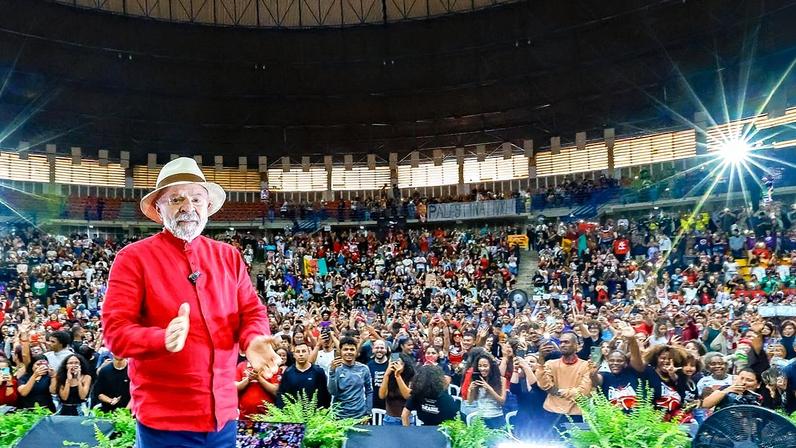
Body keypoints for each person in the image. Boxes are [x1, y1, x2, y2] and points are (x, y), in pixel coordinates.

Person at [102, 157, 280, 448]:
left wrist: (254, 338)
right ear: (158, 209)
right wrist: (161, 338)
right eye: (176, 199)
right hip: (164, 423)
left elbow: (251, 310)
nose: (188, 206)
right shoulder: (132, 259)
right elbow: (116, 333)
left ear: (208, 208)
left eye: (197, 198)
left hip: (223, 419)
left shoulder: (228, 256)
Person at [535, 332, 592, 429]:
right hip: (551, 412)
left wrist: (558, 392)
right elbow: (544, 385)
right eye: (561, 342)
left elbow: (583, 392)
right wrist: (541, 361)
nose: (562, 345)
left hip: (576, 414)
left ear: (576, 345)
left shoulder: (586, 366)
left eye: (566, 342)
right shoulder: (550, 364)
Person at [328, 336, 373, 420]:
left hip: (360, 415)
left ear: (356, 352)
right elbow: (333, 392)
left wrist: (368, 412)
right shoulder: (335, 368)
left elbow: (369, 391)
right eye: (345, 349)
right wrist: (332, 373)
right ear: (340, 351)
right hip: (340, 416)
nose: (349, 352)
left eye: (352, 349)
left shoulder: (364, 368)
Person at [277, 341, 330, 408]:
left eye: (304, 351)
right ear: (294, 355)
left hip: (315, 414)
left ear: (308, 353)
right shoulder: (288, 372)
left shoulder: (318, 372)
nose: (301, 354)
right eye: (298, 352)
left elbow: (324, 394)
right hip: (294, 414)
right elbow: (282, 395)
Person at [466, 353, 507, 429]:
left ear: (491, 366)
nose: (482, 369)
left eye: (485, 366)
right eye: (479, 366)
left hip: (496, 418)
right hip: (481, 418)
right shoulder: (477, 379)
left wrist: (490, 389)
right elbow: (470, 402)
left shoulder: (501, 380)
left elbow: (502, 401)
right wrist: (470, 390)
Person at [378, 353, 414, 425]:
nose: (395, 365)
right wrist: (386, 375)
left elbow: (407, 396)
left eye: (398, 363)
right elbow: (382, 396)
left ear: (404, 364)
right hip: (390, 419)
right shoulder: (388, 377)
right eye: (392, 362)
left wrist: (398, 376)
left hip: (407, 418)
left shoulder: (411, 376)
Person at [367, 339, 389, 411]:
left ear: (386, 350)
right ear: (373, 350)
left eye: (382, 348)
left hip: (389, 405)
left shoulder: (391, 364)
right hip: (374, 404)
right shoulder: (368, 365)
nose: (379, 350)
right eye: (377, 348)